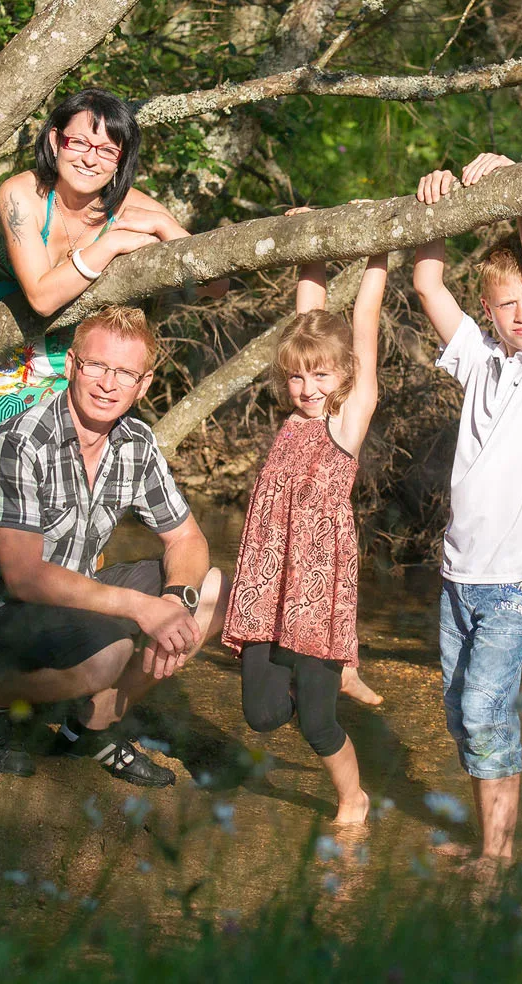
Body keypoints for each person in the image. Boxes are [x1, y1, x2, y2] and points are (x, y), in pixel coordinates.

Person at [0, 305, 224, 787]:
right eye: (97, 366)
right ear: (71, 366)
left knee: (213, 590)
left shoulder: (136, 443)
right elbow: (24, 576)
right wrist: (143, 610)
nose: (109, 383)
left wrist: (176, 601)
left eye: (125, 372)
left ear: (144, 384)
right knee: (108, 652)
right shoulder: (20, 443)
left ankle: (93, 726)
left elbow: (187, 538)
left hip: (68, 599)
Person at [412, 153, 522, 863]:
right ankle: (490, 844)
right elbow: (428, 282)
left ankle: (498, 859)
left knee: (486, 709)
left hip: (519, 579)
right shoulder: (480, 360)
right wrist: (435, 200)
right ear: (487, 310)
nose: (521, 315)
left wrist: (521, 184)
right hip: (460, 574)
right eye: (505, 304)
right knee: (461, 712)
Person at [0, 87, 211, 493]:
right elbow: (42, 297)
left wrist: (170, 231)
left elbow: (215, 286)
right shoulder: (21, 195)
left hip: (85, 365)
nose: (89, 158)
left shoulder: (135, 205)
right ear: (55, 140)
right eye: (79, 142)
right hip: (9, 362)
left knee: (72, 497)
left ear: (121, 160)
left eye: (106, 150)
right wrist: (110, 244)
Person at [221, 245, 390, 824]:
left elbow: (362, 329)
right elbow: (306, 317)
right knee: (262, 716)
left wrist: (378, 252)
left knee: (317, 725)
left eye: (320, 374)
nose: (307, 386)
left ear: (344, 376)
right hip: (270, 585)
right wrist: (312, 250)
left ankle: (353, 798)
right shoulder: (292, 420)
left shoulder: (347, 419)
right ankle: (338, 674)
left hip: (316, 593)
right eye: (296, 375)